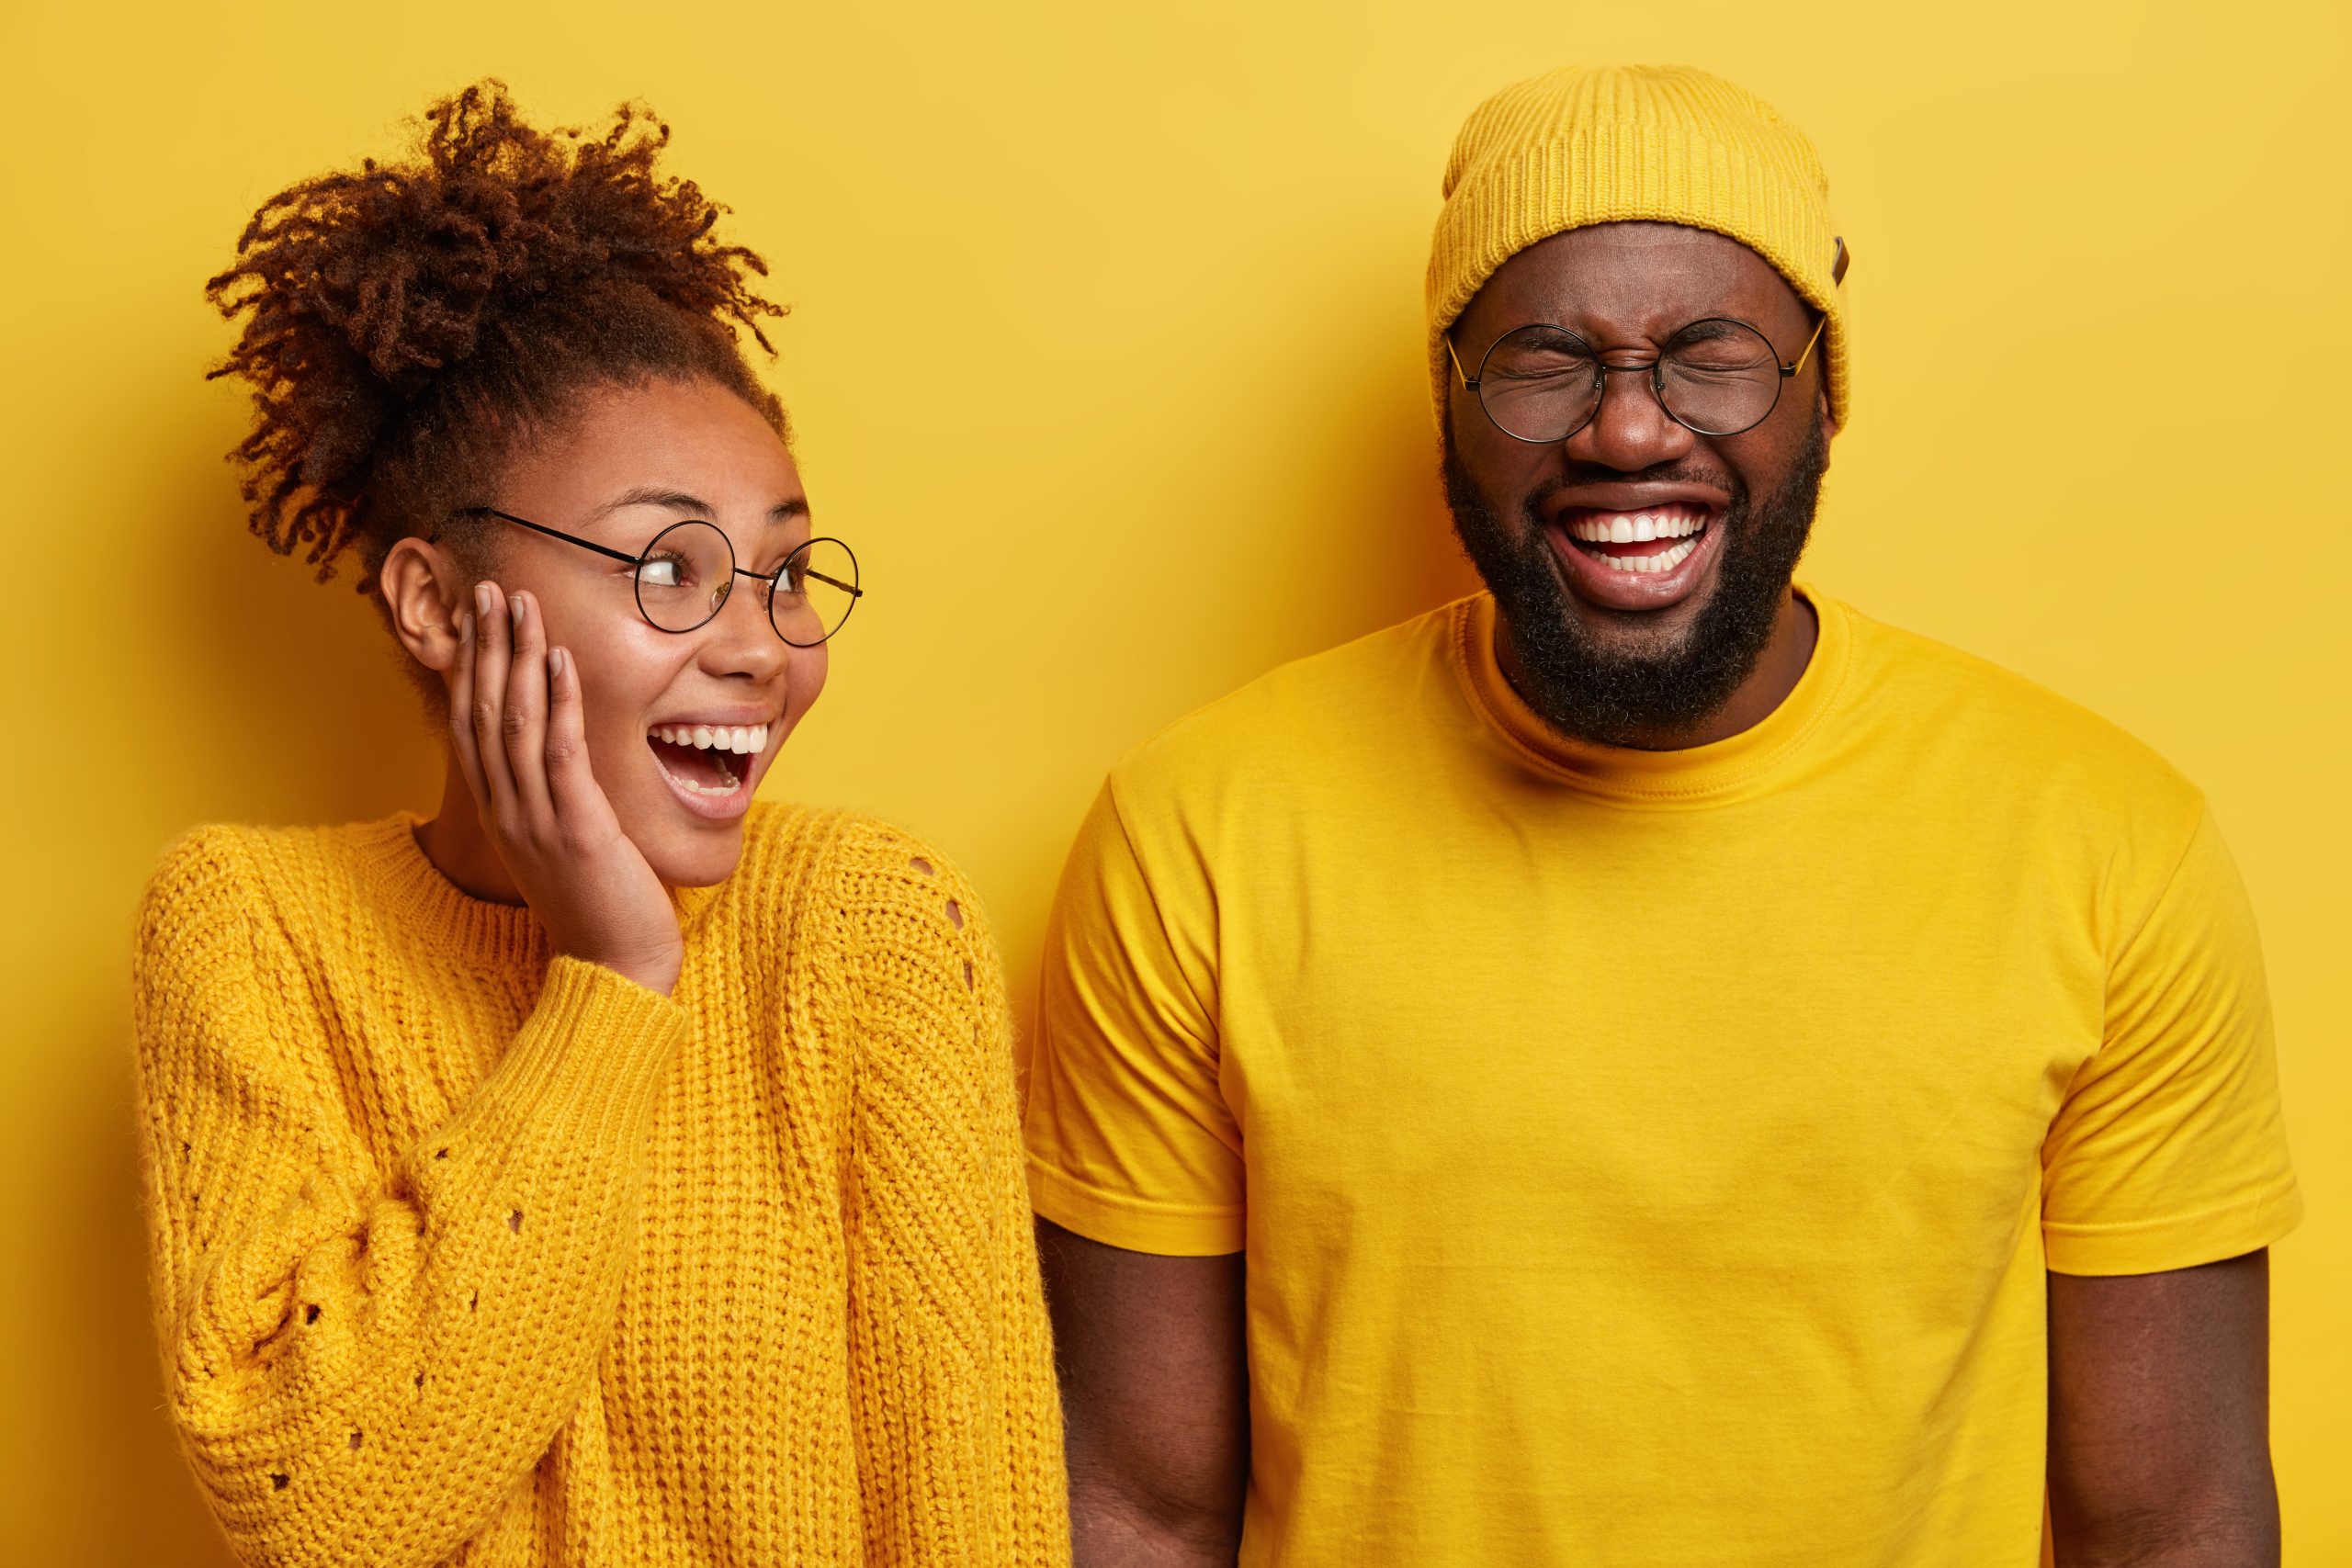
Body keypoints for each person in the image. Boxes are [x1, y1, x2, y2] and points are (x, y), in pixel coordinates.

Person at [1026, 64, 2300, 1568]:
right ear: (1450, 395)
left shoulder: (2106, 846)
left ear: (1823, 389)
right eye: (1545, 359)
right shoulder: (1201, 834)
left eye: (1711, 356)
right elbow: (1133, 1506)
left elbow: (2175, 1526)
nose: (1629, 432)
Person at [134, 83, 1067, 1568]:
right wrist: (612, 981)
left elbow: (973, 1515)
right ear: (436, 604)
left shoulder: (867, 923)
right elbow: (316, 1514)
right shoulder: (251, 928)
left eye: (780, 571)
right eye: (666, 569)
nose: (762, 646)